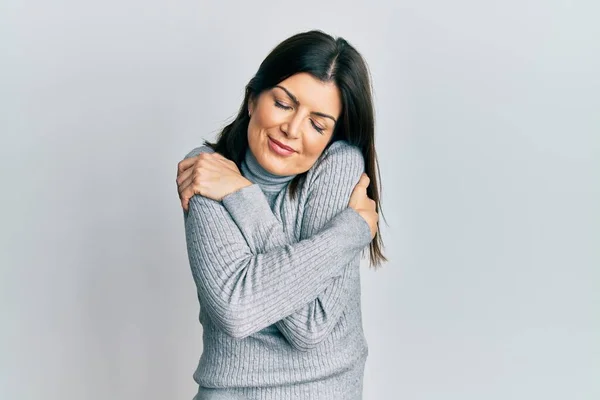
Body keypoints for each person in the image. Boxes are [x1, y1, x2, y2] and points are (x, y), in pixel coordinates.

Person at [176, 29, 387, 400]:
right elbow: (237, 310)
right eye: (284, 104)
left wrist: (241, 196)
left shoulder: (339, 167)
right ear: (254, 96)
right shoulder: (206, 170)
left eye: (317, 124)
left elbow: (309, 325)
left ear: (331, 136)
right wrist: (350, 231)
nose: (292, 129)